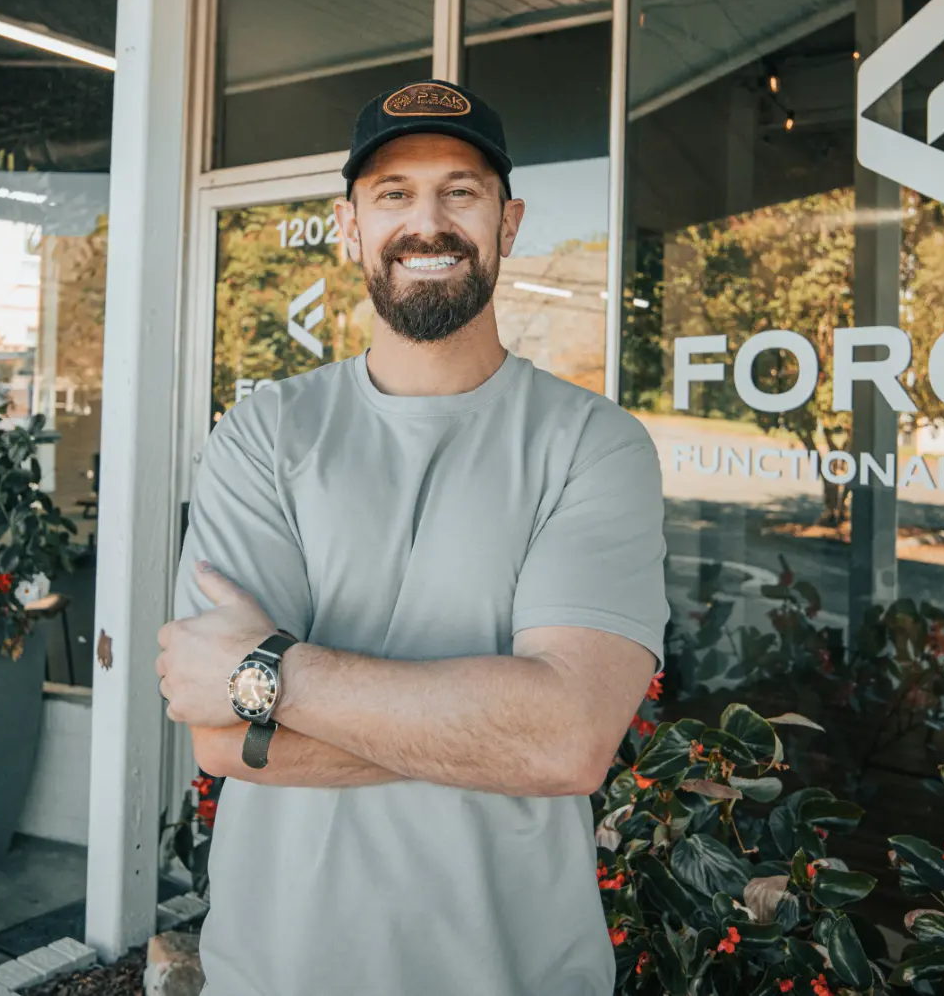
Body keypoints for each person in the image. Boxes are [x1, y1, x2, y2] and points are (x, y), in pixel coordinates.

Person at [156, 79, 668, 995]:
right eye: (392, 193)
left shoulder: (592, 444)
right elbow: (223, 739)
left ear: (507, 223)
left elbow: (565, 745)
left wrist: (273, 676)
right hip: (277, 967)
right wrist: (493, 730)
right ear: (349, 229)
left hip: (515, 970)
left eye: (459, 191)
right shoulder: (265, 432)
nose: (424, 223)